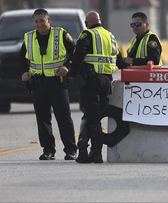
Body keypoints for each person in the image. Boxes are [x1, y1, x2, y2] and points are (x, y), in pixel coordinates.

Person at [20, 8, 78, 161]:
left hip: (57, 84)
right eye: (36, 21)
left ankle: (71, 150)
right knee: (42, 119)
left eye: (42, 21)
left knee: (64, 117)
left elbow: (75, 54)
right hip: (38, 84)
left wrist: (68, 67)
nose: (39, 24)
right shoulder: (29, 37)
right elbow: (21, 59)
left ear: (49, 20)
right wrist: (25, 72)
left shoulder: (61, 34)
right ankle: (48, 150)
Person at [70, 11, 119, 163]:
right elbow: (118, 58)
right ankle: (88, 150)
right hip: (107, 81)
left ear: (87, 23)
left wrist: (72, 71)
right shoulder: (109, 35)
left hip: (92, 81)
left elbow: (79, 53)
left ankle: (94, 152)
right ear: (101, 20)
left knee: (92, 117)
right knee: (95, 116)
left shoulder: (88, 34)